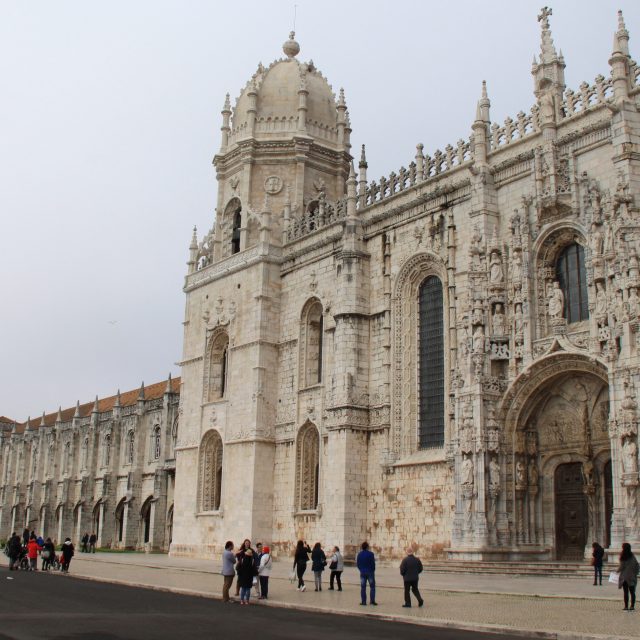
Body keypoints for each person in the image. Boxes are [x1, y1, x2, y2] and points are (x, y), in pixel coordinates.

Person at [617, 542, 639, 611]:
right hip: (632, 576)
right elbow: (637, 565)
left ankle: (626, 606)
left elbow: (621, 566)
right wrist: (635, 573)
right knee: (632, 592)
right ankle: (632, 606)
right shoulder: (632, 556)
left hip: (624, 577)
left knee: (625, 592)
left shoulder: (623, 556)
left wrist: (617, 571)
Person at [356, 541, 377, 606]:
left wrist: (361, 570)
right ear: (367, 547)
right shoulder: (371, 554)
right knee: (372, 587)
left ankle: (363, 602)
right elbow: (373, 564)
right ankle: (372, 601)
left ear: (362, 547)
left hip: (362, 572)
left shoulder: (359, 554)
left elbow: (358, 564)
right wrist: (372, 570)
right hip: (370, 572)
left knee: (363, 587)